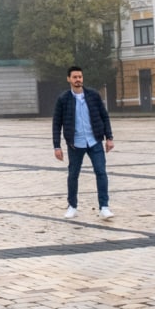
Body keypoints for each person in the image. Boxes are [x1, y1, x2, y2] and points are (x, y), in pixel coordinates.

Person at [52, 66, 115, 220]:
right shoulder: (63, 99)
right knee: (73, 175)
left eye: (80, 77)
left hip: (94, 141)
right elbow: (56, 123)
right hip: (75, 143)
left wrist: (109, 137)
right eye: (74, 77)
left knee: (101, 172)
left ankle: (104, 207)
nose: (78, 80)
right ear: (69, 79)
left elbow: (104, 116)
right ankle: (72, 206)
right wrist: (57, 146)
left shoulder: (93, 95)